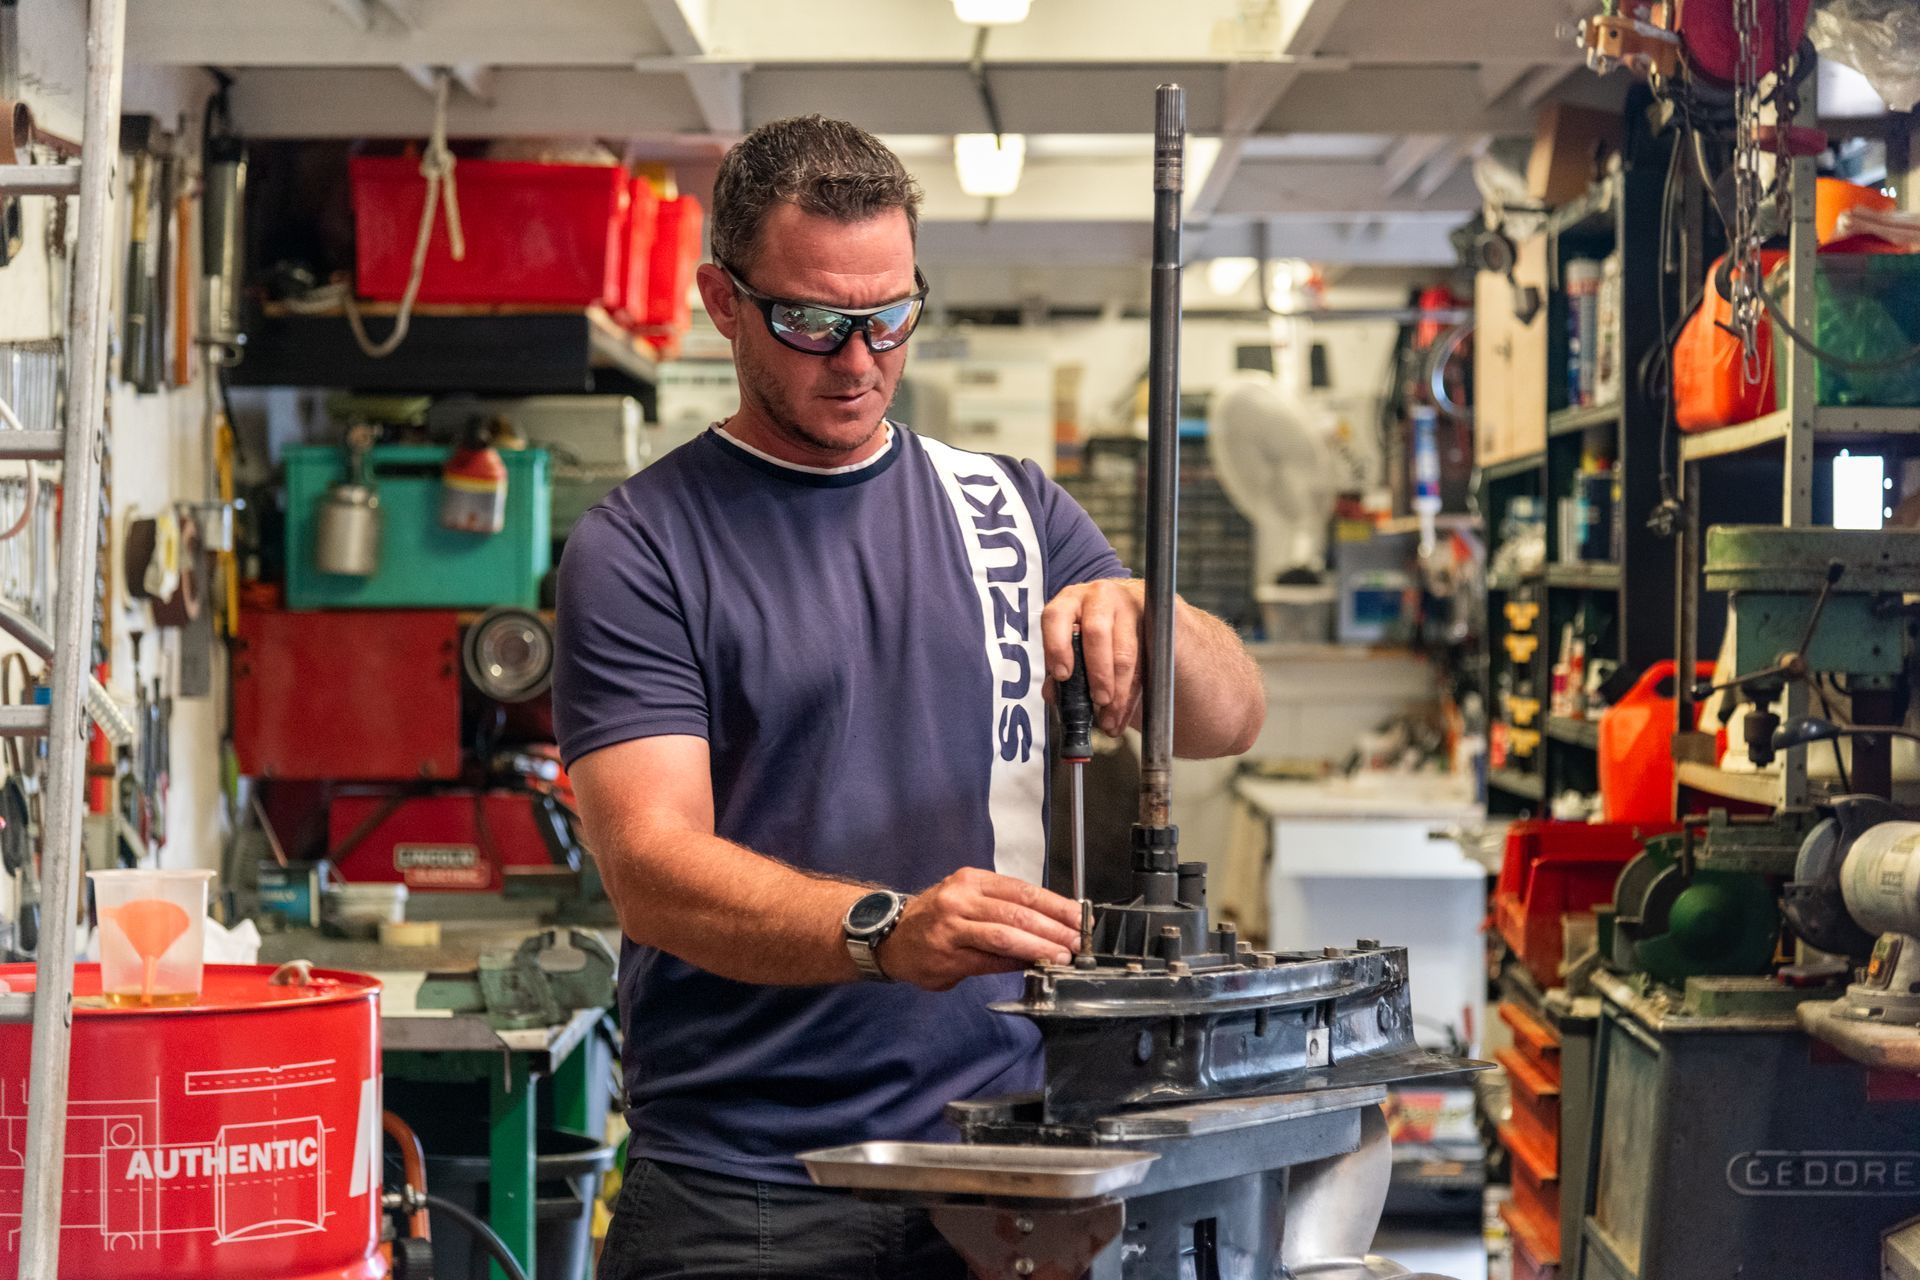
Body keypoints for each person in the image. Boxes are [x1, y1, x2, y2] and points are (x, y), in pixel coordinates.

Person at [555, 114, 1266, 1280]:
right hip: (747, 1191)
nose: (859, 361)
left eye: (891, 316)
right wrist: (885, 932)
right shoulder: (642, 546)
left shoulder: (1008, 512)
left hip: (999, 1169)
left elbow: (1229, 718)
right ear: (723, 301)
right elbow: (651, 865)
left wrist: (1151, 611)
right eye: (813, 322)